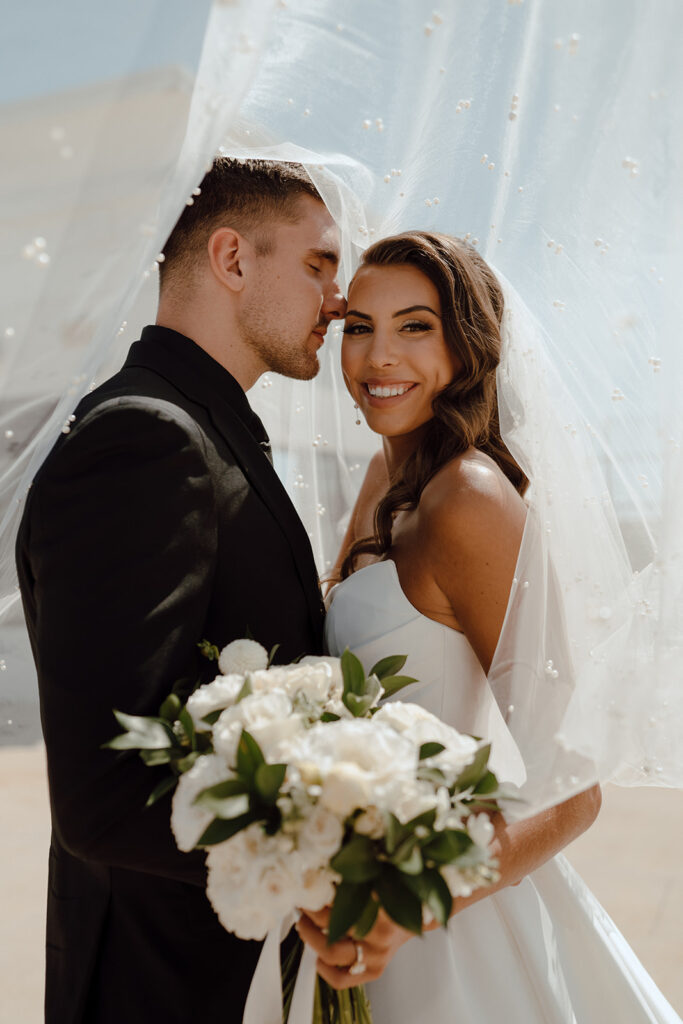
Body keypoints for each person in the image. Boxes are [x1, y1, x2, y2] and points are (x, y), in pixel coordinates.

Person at [297, 231, 681, 1022]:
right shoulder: (384, 474)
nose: (377, 357)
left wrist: (415, 904)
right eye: (359, 326)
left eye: (414, 326)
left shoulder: (466, 495)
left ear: (467, 346)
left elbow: (574, 790)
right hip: (349, 894)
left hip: (442, 923)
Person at [15, 157, 345, 1024]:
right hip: (160, 988)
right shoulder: (146, 440)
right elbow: (106, 793)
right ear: (232, 260)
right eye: (318, 265)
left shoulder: (204, 427)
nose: (338, 301)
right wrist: (333, 866)